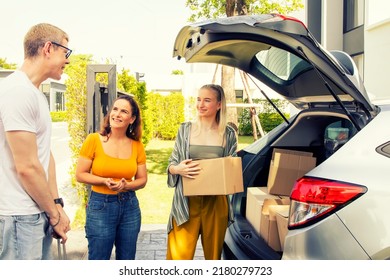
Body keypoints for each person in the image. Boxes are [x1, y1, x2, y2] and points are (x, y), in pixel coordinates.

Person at [0, 23, 71, 260]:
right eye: (66, 52)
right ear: (48, 48)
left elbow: (45, 155)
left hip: (37, 212)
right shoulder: (17, 91)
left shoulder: (35, 94)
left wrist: (57, 205)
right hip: (19, 216)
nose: (68, 60)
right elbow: (27, 167)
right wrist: (54, 214)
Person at [166, 84, 238, 260]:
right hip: (185, 202)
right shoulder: (185, 130)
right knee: (177, 259)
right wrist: (177, 169)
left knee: (213, 258)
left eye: (207, 100)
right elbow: (171, 164)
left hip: (215, 202)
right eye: (199, 99)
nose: (201, 104)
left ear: (219, 104)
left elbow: (232, 169)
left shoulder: (228, 134)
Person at [76, 94, 147, 260]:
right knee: (99, 260)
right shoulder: (93, 140)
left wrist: (126, 185)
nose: (117, 114)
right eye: (115, 109)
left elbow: (142, 179)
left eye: (124, 111)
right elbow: (80, 174)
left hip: (129, 206)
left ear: (132, 119)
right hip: (101, 206)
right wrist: (103, 181)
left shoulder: (137, 145)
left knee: (127, 260)